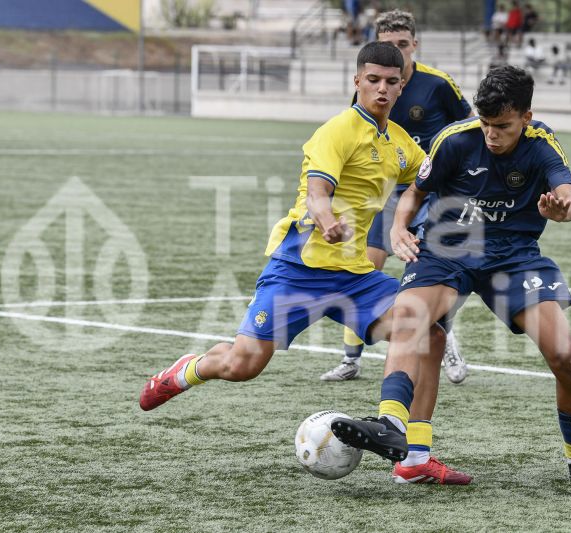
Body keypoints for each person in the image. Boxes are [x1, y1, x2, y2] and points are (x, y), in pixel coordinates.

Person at [139, 41, 473, 485]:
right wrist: (328, 219)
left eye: (392, 82)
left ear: (401, 87)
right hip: (300, 269)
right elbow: (318, 194)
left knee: (426, 333)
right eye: (372, 80)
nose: (382, 89)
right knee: (243, 365)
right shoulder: (336, 131)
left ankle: (413, 456)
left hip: (356, 278)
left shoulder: (400, 145)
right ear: (356, 81)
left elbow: (430, 179)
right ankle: (188, 369)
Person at [330, 65, 571, 486]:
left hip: (513, 256)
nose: (491, 134)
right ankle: (393, 427)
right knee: (412, 320)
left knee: (565, 357)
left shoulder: (541, 144)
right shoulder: (455, 138)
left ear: (527, 118)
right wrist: (396, 228)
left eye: (502, 126)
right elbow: (416, 192)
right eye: (484, 123)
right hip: (448, 251)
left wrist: (564, 209)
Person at [322, 9, 473, 384]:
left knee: (423, 277)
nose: (396, 52)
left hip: (426, 192)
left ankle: (446, 340)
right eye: (388, 45)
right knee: (363, 269)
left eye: (402, 45)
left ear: (414, 45)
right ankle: (350, 359)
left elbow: (469, 127)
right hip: (384, 193)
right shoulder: (370, 83)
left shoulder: (438, 84)